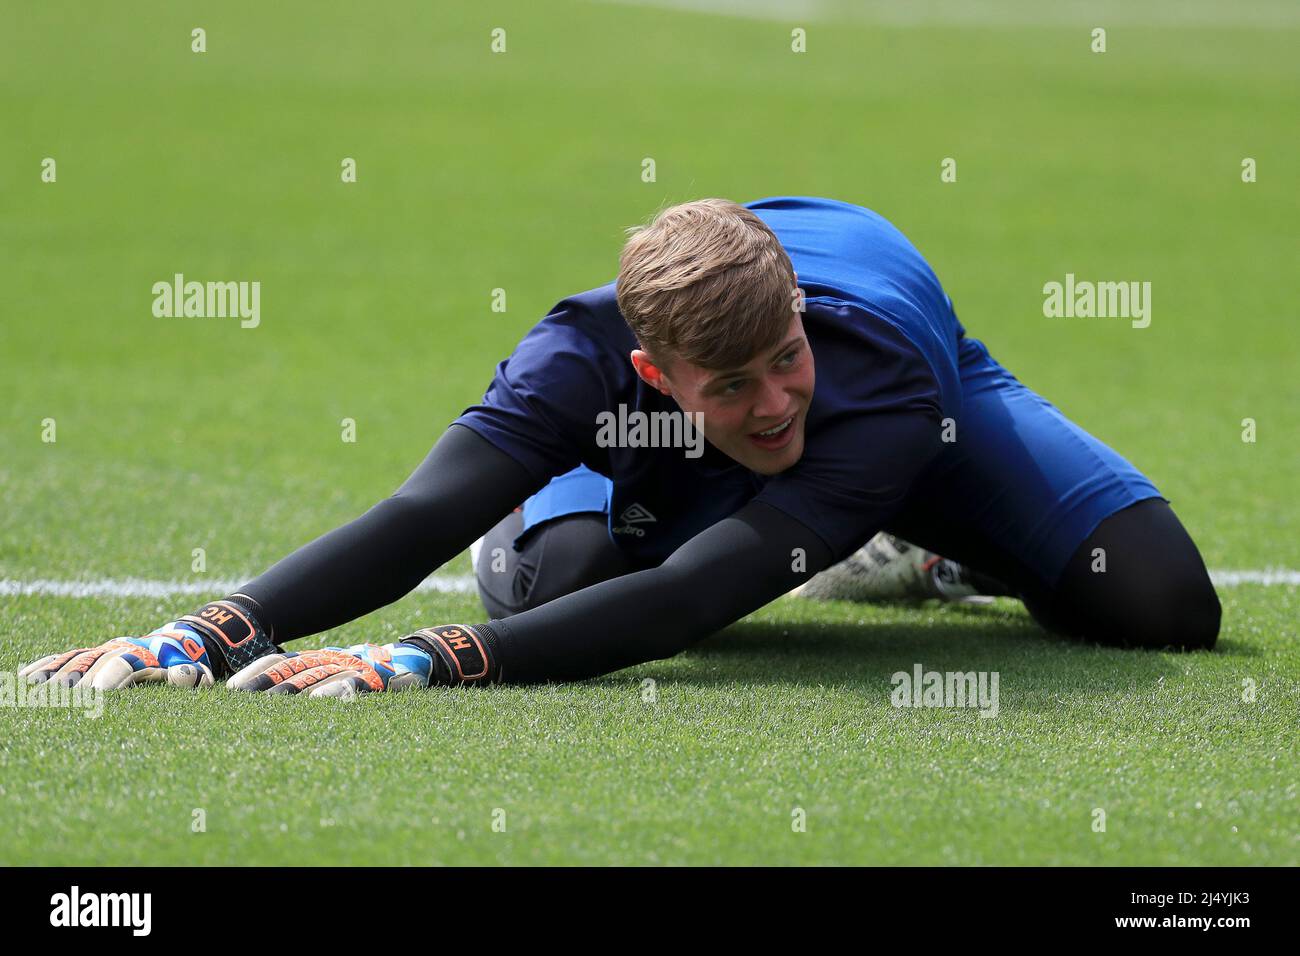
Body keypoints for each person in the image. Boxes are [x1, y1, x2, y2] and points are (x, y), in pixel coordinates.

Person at [20, 197, 1220, 697]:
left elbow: (687, 605)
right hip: (635, 440)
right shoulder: (579, 362)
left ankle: (904, 544)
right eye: (732, 384)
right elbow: (419, 516)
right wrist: (209, 628)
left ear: (798, 313)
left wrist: (428, 661)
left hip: (907, 403)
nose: (770, 399)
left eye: (783, 359)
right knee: (579, 579)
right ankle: (726, 491)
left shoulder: (878, 383)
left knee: (1166, 600)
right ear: (655, 372)